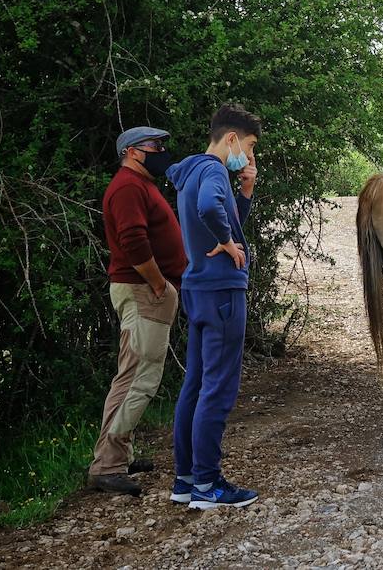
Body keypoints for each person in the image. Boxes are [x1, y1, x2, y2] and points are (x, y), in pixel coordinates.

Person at [166, 104, 262, 509]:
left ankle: (186, 479)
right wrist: (225, 240)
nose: (250, 157)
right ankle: (208, 486)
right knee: (218, 389)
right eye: (250, 147)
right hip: (222, 291)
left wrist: (245, 191)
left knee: (196, 384)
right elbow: (210, 208)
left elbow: (221, 213)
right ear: (232, 139)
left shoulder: (189, 172)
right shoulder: (211, 171)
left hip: (197, 288)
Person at [89, 126, 186, 495]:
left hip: (144, 290)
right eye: (155, 146)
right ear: (132, 152)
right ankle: (108, 464)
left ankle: (117, 455)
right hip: (143, 291)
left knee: (130, 374)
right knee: (139, 378)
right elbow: (132, 240)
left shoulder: (139, 184)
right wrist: (159, 284)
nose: (161, 150)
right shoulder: (128, 186)